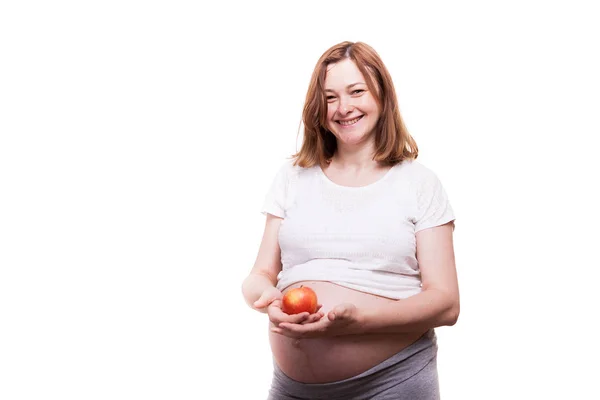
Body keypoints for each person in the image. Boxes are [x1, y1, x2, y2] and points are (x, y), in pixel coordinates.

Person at [241, 41, 459, 400]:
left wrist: (358, 322)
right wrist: (266, 298)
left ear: (382, 96)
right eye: (330, 97)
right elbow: (259, 274)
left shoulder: (419, 183)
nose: (343, 108)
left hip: (392, 382)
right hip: (293, 388)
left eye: (356, 91)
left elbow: (446, 303)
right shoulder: (293, 177)